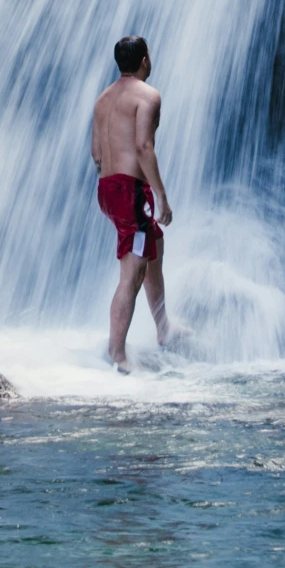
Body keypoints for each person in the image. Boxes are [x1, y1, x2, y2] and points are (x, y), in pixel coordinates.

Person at [92, 34, 172, 371]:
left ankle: (164, 328)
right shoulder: (148, 96)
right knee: (132, 272)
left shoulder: (103, 99)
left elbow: (97, 153)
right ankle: (118, 356)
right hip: (130, 191)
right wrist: (161, 196)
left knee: (153, 241)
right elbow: (143, 147)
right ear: (144, 60)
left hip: (108, 188)